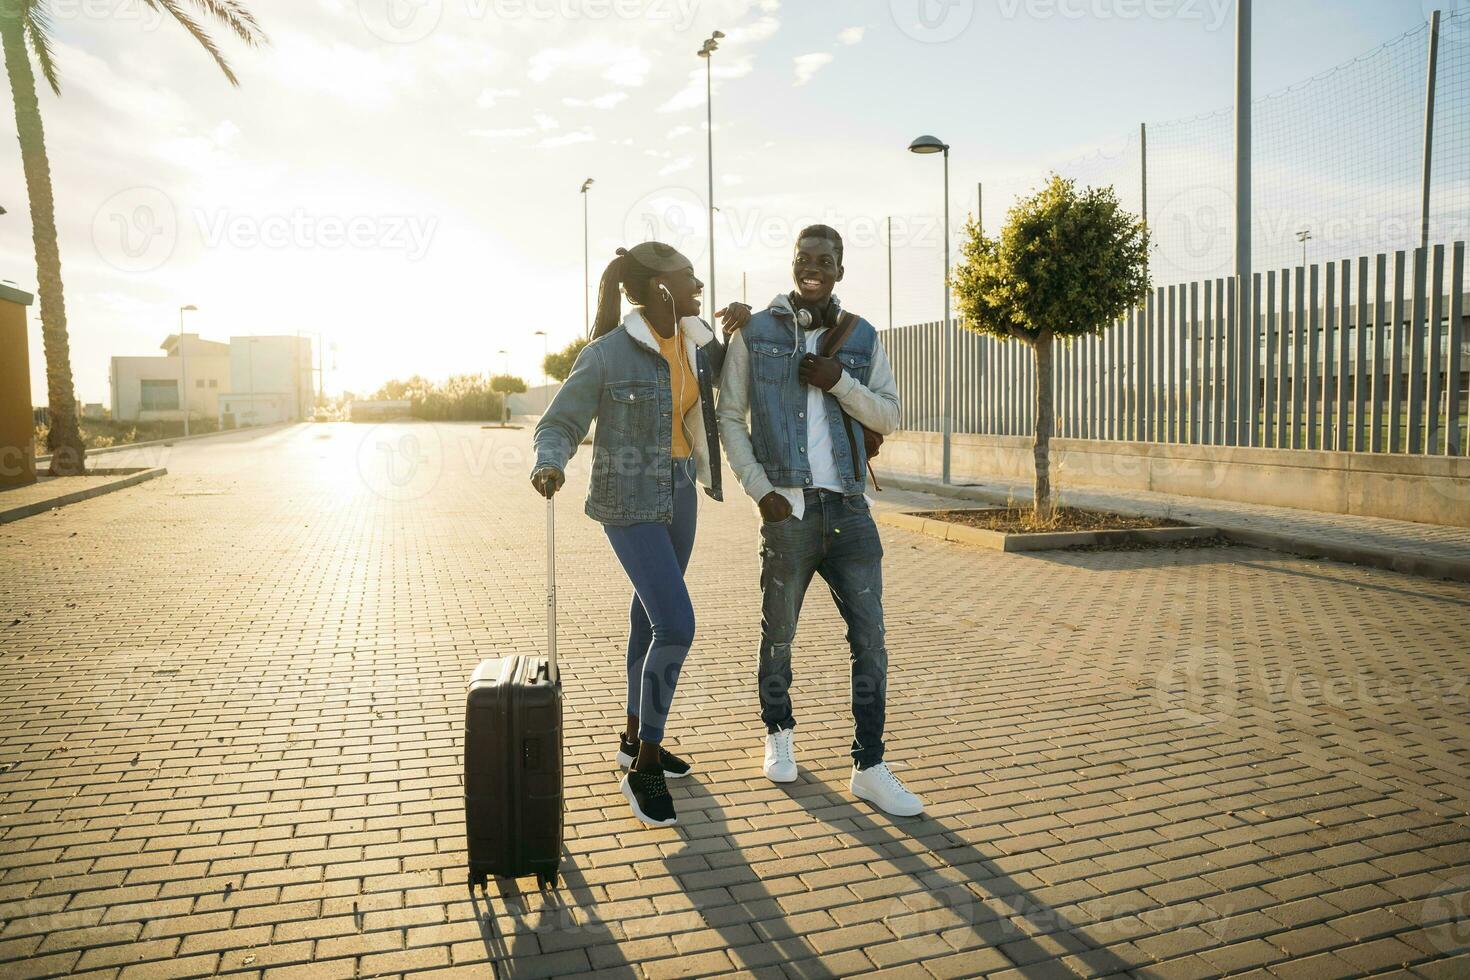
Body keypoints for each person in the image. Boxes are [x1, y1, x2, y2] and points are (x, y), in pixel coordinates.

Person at [530, 241, 750, 827]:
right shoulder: (605, 355)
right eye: (689, 279)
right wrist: (548, 462)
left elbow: (736, 383)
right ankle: (645, 764)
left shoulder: (696, 342)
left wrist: (742, 332)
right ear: (659, 289)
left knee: (646, 619)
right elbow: (559, 422)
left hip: (680, 492)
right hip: (629, 501)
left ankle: (632, 734)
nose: (699, 286)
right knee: (677, 624)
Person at [716, 224, 924, 817]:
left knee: (871, 644)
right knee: (778, 633)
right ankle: (778, 732)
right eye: (805, 258)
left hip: (851, 512)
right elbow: (730, 415)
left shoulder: (862, 337)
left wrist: (840, 382)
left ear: (839, 269)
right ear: (793, 265)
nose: (814, 267)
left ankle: (870, 765)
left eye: (825, 260)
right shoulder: (753, 332)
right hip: (789, 511)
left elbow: (890, 414)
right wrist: (760, 490)